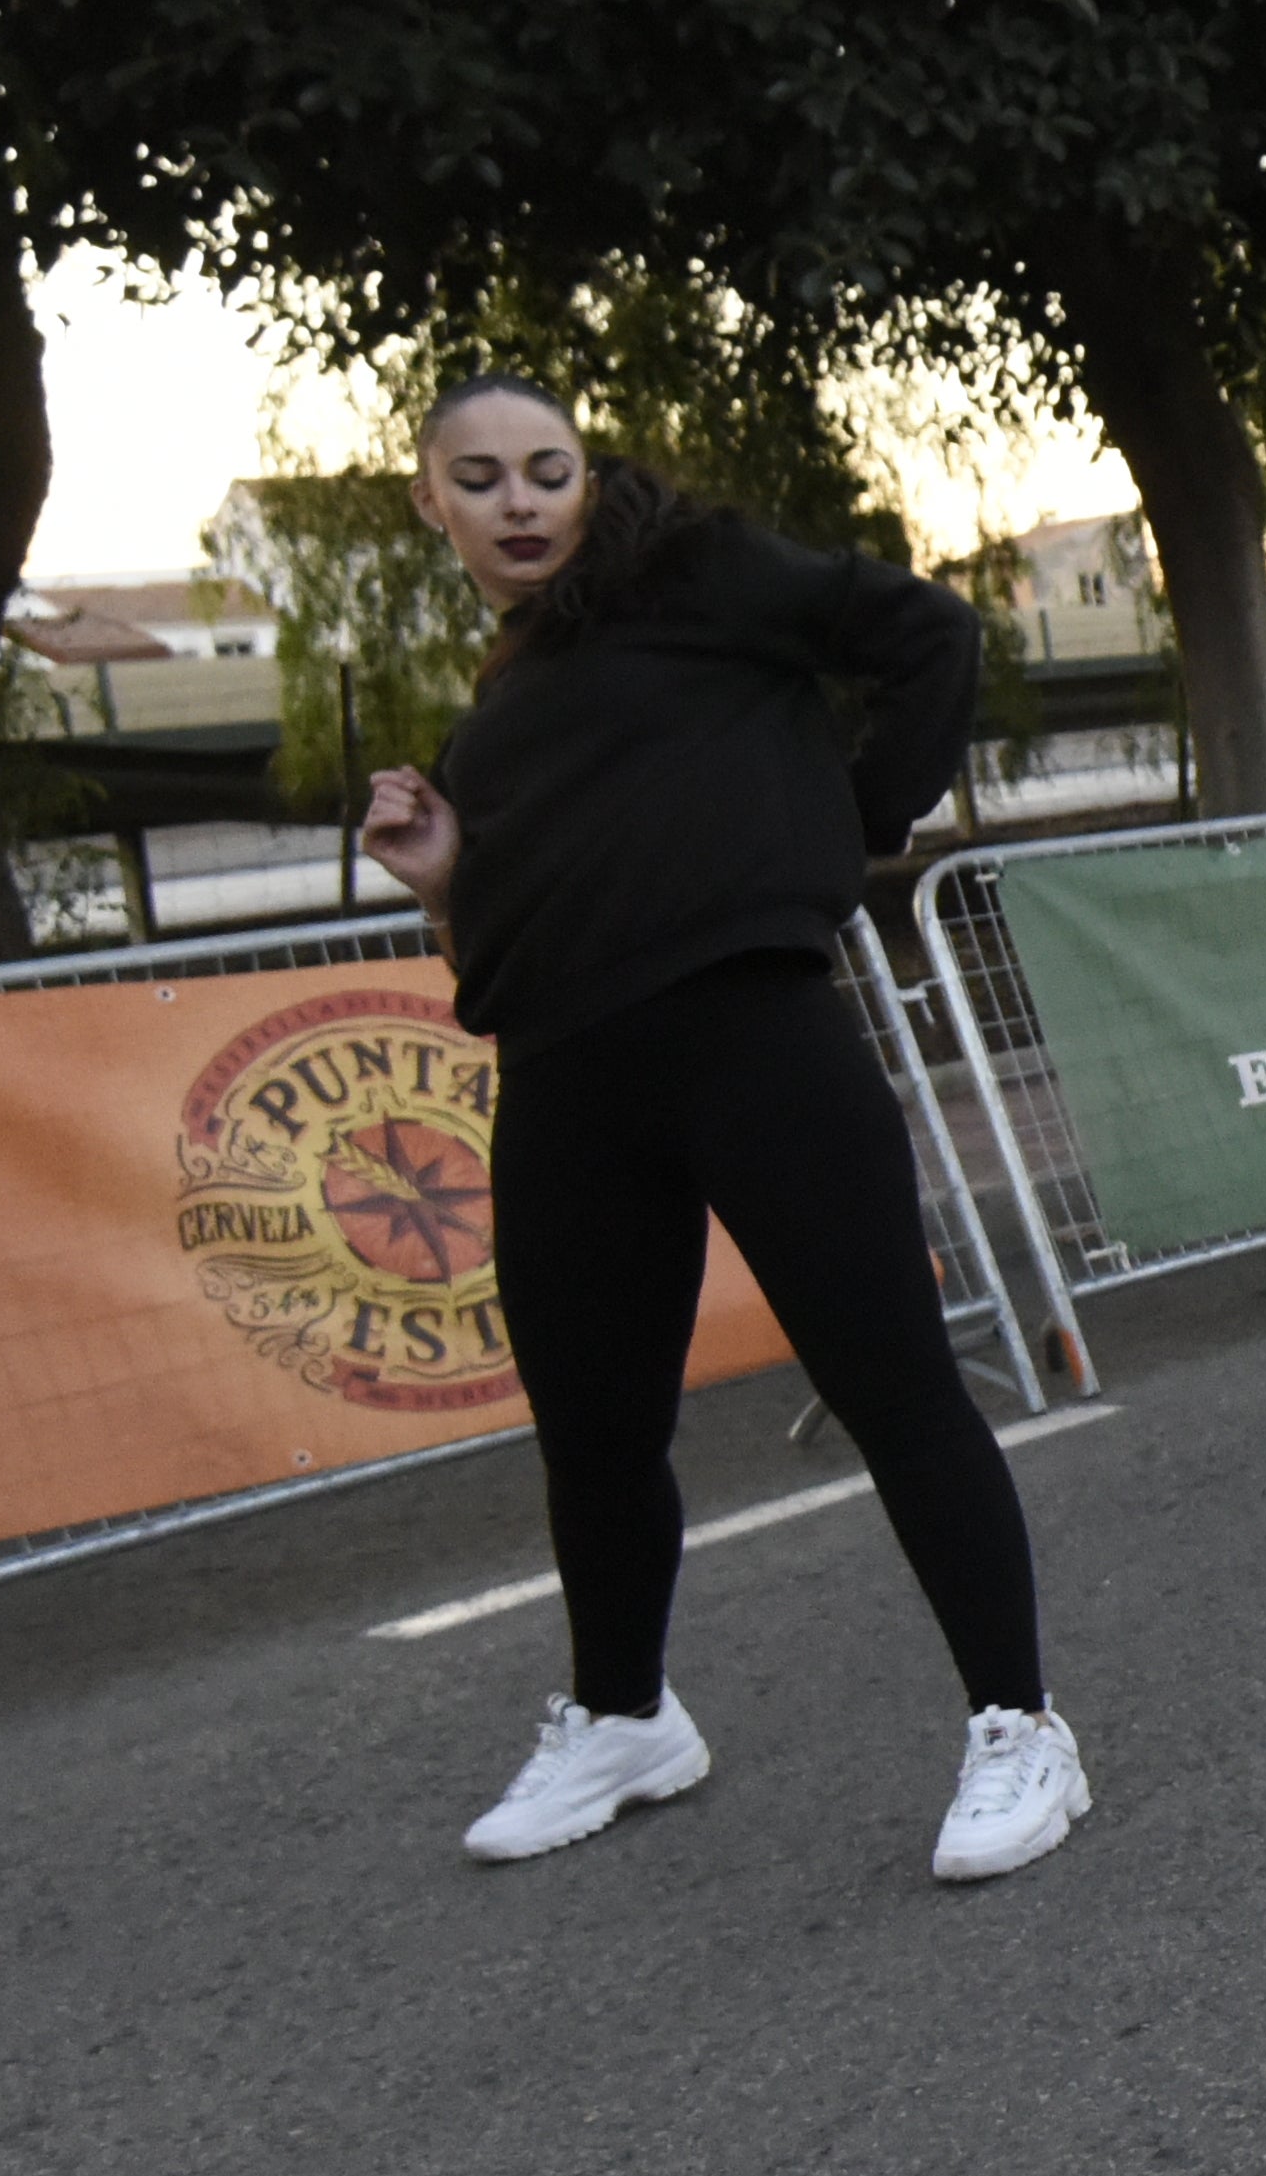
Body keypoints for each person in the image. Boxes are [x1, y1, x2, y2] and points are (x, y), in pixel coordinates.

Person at [353, 380, 1085, 1884]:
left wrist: (848, 824)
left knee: (892, 1387)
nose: (519, 502)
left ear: (584, 475)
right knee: (598, 1433)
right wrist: (442, 873)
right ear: (431, 502)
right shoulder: (494, 703)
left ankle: (1022, 1728)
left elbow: (929, 636)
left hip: (755, 1036)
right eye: (480, 480)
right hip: (564, 1077)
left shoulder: (695, 573)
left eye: (546, 470)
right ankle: (627, 1718)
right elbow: (527, 922)